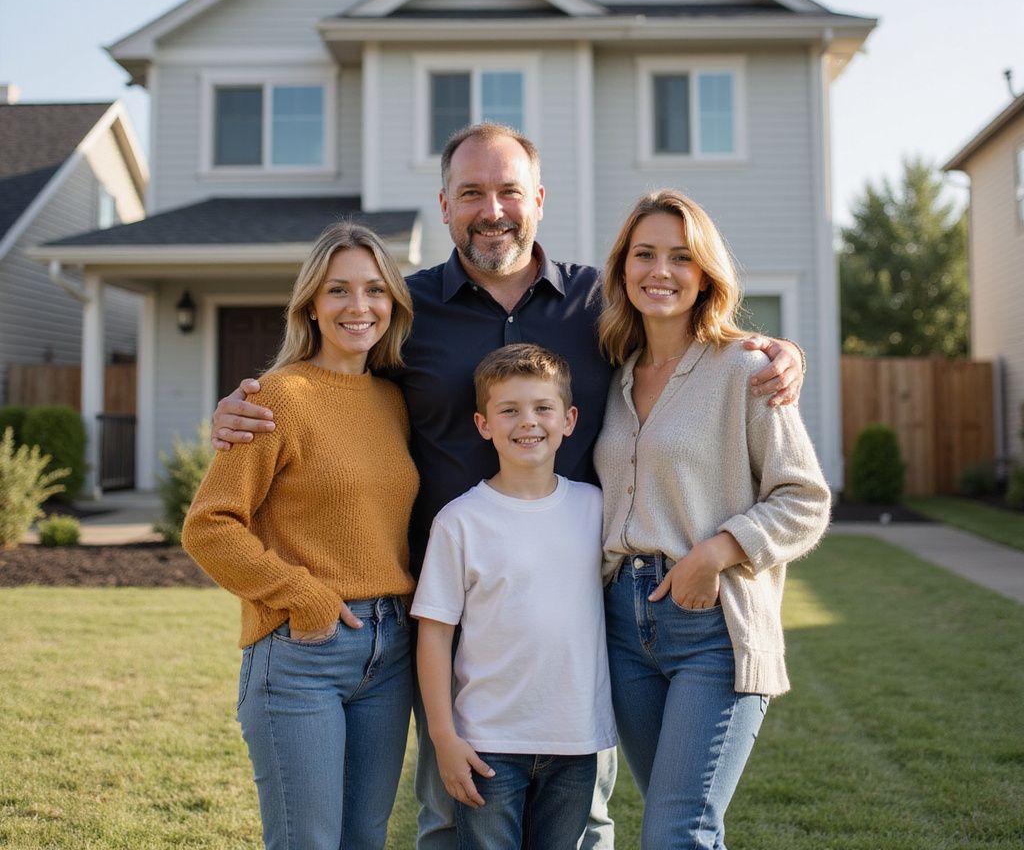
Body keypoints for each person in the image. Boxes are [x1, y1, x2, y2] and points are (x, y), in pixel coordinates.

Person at [210, 122, 807, 850]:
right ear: (444, 205)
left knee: (583, 824)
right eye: (472, 193)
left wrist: (776, 351)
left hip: (581, 623)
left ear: (539, 201)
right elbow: (336, 382)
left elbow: (682, 333)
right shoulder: (406, 311)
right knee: (452, 820)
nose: (492, 209)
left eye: (508, 192)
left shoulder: (602, 305)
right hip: (448, 616)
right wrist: (245, 408)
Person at [594, 190, 831, 850]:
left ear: (705, 274)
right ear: (622, 268)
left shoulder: (746, 369)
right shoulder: (610, 373)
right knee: (683, 823)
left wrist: (717, 552)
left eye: (680, 256)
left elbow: (804, 497)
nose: (660, 271)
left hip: (714, 629)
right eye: (644, 254)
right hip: (621, 630)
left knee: (677, 829)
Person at [182, 222, 419, 850]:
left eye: (374, 290)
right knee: (307, 840)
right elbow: (209, 524)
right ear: (311, 304)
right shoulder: (278, 398)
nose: (358, 307)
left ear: (392, 302)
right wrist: (301, 595)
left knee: (365, 837)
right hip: (302, 652)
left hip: (390, 652)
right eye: (338, 290)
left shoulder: (394, 401)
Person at [413, 344, 616, 849]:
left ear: (569, 420)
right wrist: (444, 736)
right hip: (486, 744)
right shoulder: (460, 521)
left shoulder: (595, 508)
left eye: (542, 408)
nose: (528, 422)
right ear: (484, 424)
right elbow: (435, 635)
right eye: (509, 410)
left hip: (575, 740)